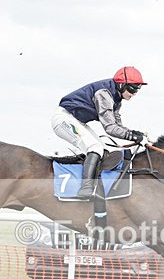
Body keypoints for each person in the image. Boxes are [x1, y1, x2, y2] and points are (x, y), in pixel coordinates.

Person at [51, 66, 148, 200]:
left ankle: (97, 186)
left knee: (104, 149)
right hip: (63, 119)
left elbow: (118, 126)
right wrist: (134, 137)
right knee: (95, 147)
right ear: (121, 84)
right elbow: (110, 128)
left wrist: (135, 134)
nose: (134, 93)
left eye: (137, 89)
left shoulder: (116, 100)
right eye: (132, 89)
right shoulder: (104, 94)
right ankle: (86, 188)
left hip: (77, 121)